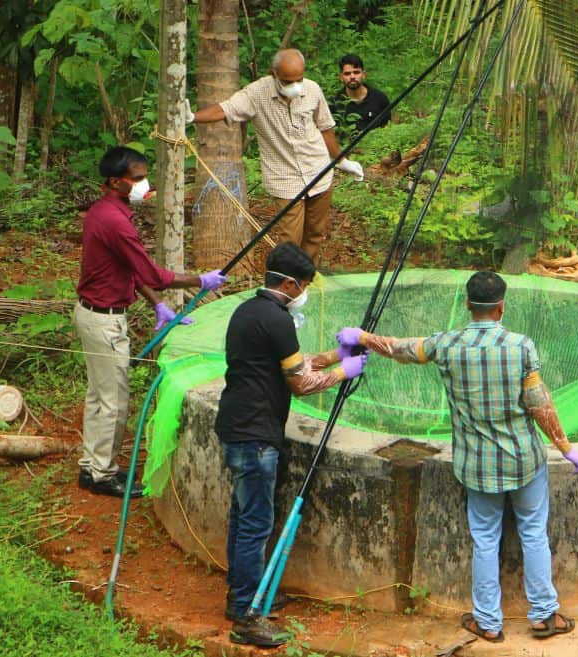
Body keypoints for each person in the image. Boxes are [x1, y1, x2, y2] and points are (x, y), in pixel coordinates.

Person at [336, 272, 578, 642]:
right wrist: (566, 447)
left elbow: (402, 349)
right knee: (534, 533)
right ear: (502, 306)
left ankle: (487, 622)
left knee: (485, 539)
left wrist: (363, 337)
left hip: (477, 465)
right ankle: (545, 616)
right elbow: (539, 404)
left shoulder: (447, 344)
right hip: (523, 460)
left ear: (468, 305)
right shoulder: (521, 347)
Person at [215, 242, 367, 647]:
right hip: (256, 436)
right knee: (256, 523)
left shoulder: (248, 311)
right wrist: (343, 373)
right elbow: (300, 384)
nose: (303, 293)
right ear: (288, 283)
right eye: (302, 286)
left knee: (242, 514)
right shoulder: (278, 320)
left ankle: (241, 594)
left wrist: (336, 355)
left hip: (235, 425)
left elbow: (291, 364)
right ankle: (247, 614)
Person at [75, 145, 227, 498]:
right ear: (116, 182)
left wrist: (158, 305)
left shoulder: (106, 212)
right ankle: (101, 474)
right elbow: (150, 272)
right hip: (103, 320)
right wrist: (199, 280)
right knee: (113, 399)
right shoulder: (114, 221)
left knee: (100, 395)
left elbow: (129, 269)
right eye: (139, 179)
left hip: (94, 313)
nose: (146, 185)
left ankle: (92, 465)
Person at [191, 49, 365, 267]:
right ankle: (287, 282)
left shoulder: (312, 90)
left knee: (316, 233)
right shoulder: (256, 94)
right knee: (290, 240)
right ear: (273, 74)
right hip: (285, 179)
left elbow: (325, 129)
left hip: (318, 171)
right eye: (287, 81)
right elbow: (225, 110)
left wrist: (341, 161)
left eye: (299, 79)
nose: (295, 86)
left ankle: (306, 278)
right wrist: (192, 118)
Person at [330, 54, 391, 138]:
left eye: (356, 72)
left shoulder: (380, 98)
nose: (352, 77)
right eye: (347, 74)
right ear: (341, 77)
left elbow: (388, 129)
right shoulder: (335, 103)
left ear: (364, 74)